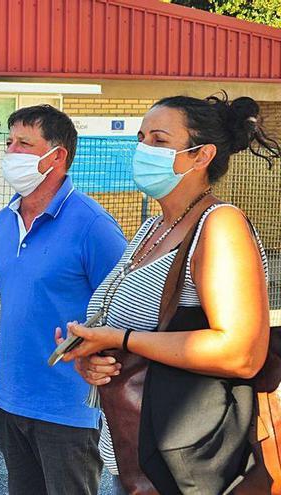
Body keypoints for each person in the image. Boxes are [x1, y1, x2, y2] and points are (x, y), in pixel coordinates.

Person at [63, 94, 279, 494]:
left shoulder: (220, 226)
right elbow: (135, 333)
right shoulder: (152, 229)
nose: (144, 149)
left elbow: (242, 353)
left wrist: (121, 340)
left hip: (183, 462)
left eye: (159, 140)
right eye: (141, 137)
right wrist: (94, 357)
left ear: (202, 156)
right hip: (131, 452)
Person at [0, 105, 127, 495]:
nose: (11, 153)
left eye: (24, 144)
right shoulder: (5, 221)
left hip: (69, 408)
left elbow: (125, 308)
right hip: (11, 400)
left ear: (57, 156)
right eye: (9, 142)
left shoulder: (92, 225)